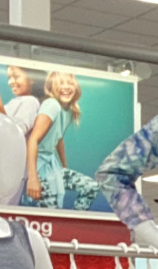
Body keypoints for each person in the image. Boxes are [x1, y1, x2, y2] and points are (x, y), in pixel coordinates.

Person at [25, 71, 101, 210]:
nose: (66, 87)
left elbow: (59, 138)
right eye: (61, 83)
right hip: (37, 166)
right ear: (51, 87)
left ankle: (75, 222)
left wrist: (64, 166)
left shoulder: (69, 110)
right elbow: (33, 140)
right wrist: (32, 177)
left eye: (70, 83)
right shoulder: (52, 105)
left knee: (91, 186)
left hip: (52, 166)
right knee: (51, 211)